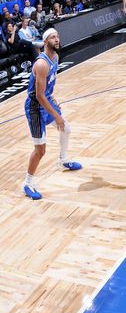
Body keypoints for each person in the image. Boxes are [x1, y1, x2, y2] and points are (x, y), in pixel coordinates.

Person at [23, 28, 82, 200]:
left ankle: (63, 160)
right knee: (40, 150)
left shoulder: (55, 58)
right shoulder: (41, 64)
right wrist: (56, 115)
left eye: (57, 36)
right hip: (35, 107)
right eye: (53, 37)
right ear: (45, 41)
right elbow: (39, 95)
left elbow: (47, 87)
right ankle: (27, 183)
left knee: (66, 128)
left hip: (46, 100)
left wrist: (53, 98)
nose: (57, 39)